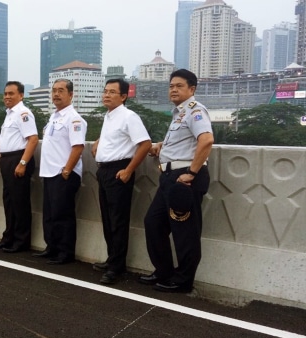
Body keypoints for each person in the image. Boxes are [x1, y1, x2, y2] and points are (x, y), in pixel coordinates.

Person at [141, 69, 213, 293]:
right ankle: (164, 272)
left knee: (185, 232)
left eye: (179, 86)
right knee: (153, 223)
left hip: (185, 179)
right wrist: (162, 147)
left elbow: (207, 140)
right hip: (169, 177)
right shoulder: (179, 114)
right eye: (171, 85)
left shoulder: (195, 110)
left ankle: (183, 281)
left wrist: (191, 172)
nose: (173, 89)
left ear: (192, 89)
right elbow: (185, 141)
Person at [91, 79, 151, 284]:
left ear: (124, 96)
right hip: (104, 171)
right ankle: (112, 259)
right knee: (107, 219)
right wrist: (99, 143)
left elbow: (145, 144)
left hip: (119, 171)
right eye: (105, 91)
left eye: (112, 92)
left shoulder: (129, 117)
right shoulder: (109, 116)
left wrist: (128, 170)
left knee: (118, 221)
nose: (106, 95)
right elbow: (115, 139)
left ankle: (117, 268)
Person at [33, 79, 87, 264]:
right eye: (54, 90)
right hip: (49, 173)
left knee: (62, 215)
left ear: (71, 94)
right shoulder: (54, 117)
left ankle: (65, 252)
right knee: (50, 214)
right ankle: (52, 247)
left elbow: (78, 147)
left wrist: (67, 170)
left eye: (61, 91)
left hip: (63, 174)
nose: (56, 94)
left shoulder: (74, 119)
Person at [0, 81, 38, 253]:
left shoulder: (23, 113)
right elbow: (9, 135)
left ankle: (21, 241)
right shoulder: (10, 114)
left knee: (20, 202)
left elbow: (32, 139)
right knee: (9, 201)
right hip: (7, 159)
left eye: (11, 94)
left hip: (19, 159)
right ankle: (8, 237)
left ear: (21, 95)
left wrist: (23, 163)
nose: (7, 97)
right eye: (5, 94)